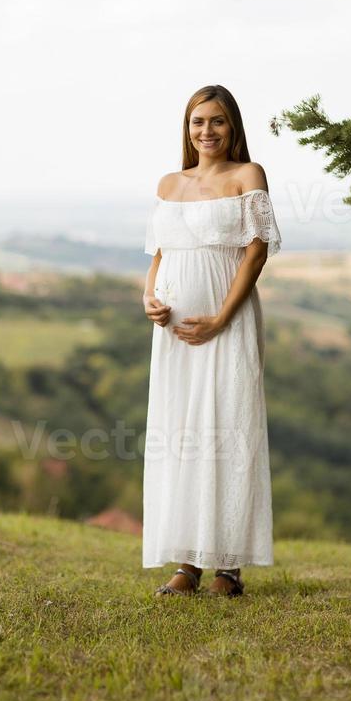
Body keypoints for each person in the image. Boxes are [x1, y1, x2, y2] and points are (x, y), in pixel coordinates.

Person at [142, 83, 282, 598]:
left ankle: (228, 567)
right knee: (180, 432)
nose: (207, 132)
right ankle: (186, 563)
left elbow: (255, 254)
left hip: (228, 322)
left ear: (234, 127)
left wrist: (222, 318)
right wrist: (148, 299)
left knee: (227, 427)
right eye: (198, 122)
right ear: (187, 128)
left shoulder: (248, 176)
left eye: (218, 121)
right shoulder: (168, 183)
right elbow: (158, 255)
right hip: (173, 333)